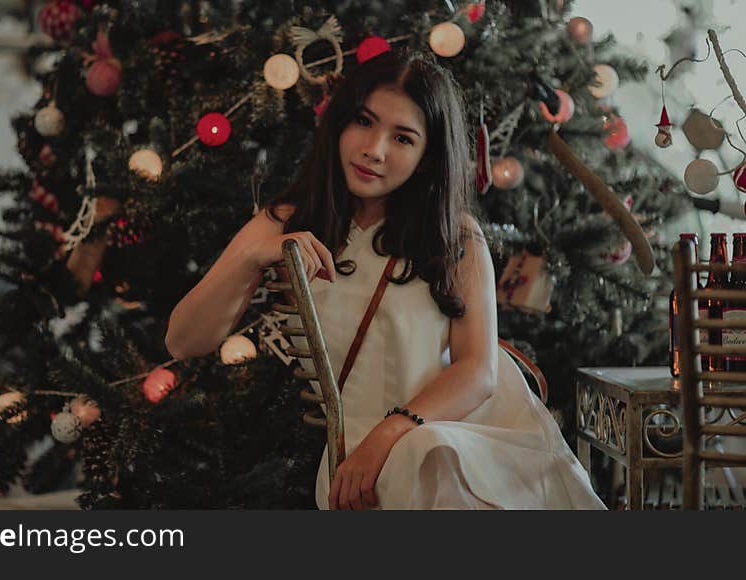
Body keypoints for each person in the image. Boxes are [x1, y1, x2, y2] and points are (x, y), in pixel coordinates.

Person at [165, 48, 605, 510]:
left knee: (430, 454)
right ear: (340, 123)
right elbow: (183, 340)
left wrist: (390, 433)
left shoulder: (453, 235)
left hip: (461, 436)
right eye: (364, 121)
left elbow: (478, 371)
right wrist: (252, 257)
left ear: (426, 155)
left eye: (402, 138)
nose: (374, 150)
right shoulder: (286, 222)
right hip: (354, 460)